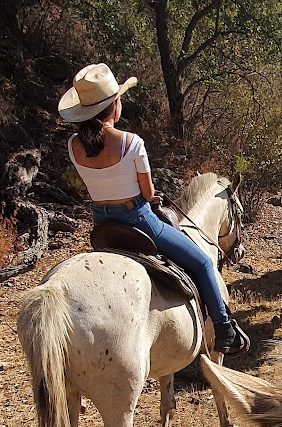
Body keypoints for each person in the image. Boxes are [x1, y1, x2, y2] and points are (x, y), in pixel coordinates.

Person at [59, 63, 249, 356]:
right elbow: (147, 194)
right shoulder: (131, 143)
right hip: (138, 220)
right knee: (203, 263)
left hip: (103, 227)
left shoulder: (73, 146)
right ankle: (224, 329)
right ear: (114, 105)